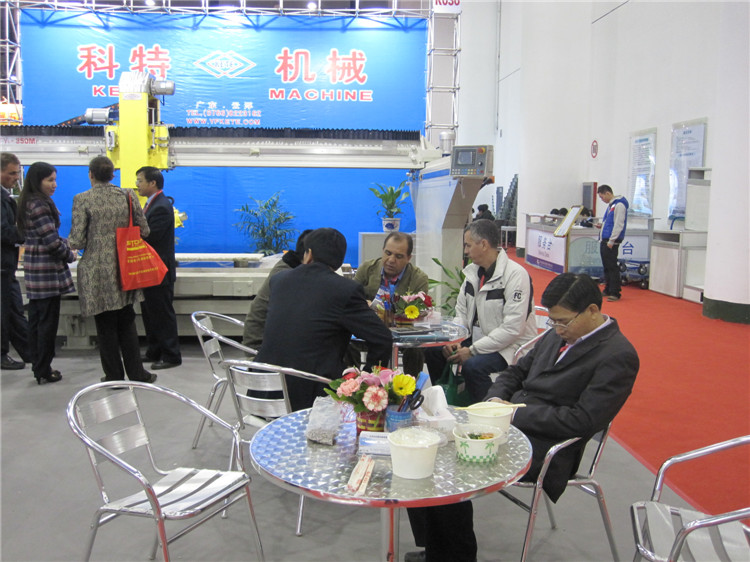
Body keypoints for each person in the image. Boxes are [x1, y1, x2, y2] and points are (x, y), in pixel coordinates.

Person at [406, 273, 640, 562]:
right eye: (553, 321)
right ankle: (437, 549)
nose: (557, 328)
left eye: (563, 321)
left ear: (592, 310)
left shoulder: (618, 356)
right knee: (428, 445)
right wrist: (495, 399)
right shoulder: (558, 333)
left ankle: (455, 556)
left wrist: (515, 413)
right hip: (507, 422)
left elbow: (583, 421)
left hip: (548, 445)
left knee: (450, 467)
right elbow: (516, 372)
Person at [255, 227, 393, 411]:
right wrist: (365, 382)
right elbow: (382, 338)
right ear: (339, 261)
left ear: (309, 254)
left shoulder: (279, 280)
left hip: (260, 390)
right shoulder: (345, 290)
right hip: (311, 401)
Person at [424, 219, 537, 401]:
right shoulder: (472, 273)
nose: (465, 251)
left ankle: (486, 409)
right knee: (435, 351)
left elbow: (512, 328)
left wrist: (472, 350)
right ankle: (444, 403)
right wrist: (455, 341)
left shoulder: (516, 275)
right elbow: (461, 311)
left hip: (509, 346)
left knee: (473, 366)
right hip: (479, 340)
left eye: (468, 245)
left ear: (483, 244)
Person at [69, 156, 156, 384]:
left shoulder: (82, 199)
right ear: (112, 174)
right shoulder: (128, 196)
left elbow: (77, 240)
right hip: (125, 266)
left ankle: (113, 376)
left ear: (91, 174)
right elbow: (144, 230)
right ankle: (138, 373)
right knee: (127, 321)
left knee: (105, 325)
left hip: (96, 270)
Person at [16, 162, 76, 384]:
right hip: (46, 273)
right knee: (46, 324)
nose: (54, 184)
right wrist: (70, 255)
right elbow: (51, 242)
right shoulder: (40, 205)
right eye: (49, 180)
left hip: (36, 270)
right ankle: (44, 368)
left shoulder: (28, 202)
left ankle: (39, 366)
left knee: (37, 321)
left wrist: (66, 243)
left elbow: (45, 236)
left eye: (55, 180)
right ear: (37, 181)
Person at [352, 232, 428, 376]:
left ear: (408, 258)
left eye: (398, 256)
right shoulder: (367, 269)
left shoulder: (418, 278)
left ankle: (410, 385)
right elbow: (351, 299)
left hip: (403, 331)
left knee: (415, 348)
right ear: (382, 251)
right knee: (346, 341)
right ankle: (353, 382)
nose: (391, 260)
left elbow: (419, 312)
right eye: (388, 253)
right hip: (369, 328)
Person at [135, 166, 181, 370]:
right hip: (149, 270)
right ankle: (154, 351)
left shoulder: (161, 206)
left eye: (140, 180)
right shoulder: (151, 204)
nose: (137, 185)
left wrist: (132, 233)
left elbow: (151, 236)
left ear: (152, 183)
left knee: (162, 314)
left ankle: (171, 355)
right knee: (150, 312)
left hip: (159, 270)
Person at [242, 229, 312, 352]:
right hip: (261, 346)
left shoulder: (290, 267)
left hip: (269, 338)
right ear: (309, 254)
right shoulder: (288, 276)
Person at [1, 152, 31, 370]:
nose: (15, 178)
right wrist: (25, 233)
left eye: (17, 173)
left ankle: (31, 352)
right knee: (4, 312)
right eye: (11, 173)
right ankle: (2, 354)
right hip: (2, 264)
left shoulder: (5, 197)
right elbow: (3, 231)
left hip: (7, 265)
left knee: (13, 309)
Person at [596, 184, 629, 301]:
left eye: (602, 197)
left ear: (608, 193)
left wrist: (612, 240)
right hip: (605, 239)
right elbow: (610, 223)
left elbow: (618, 224)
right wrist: (602, 226)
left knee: (612, 266)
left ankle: (615, 292)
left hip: (611, 241)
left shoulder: (619, 205)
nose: (602, 200)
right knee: (606, 266)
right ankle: (608, 288)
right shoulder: (612, 205)